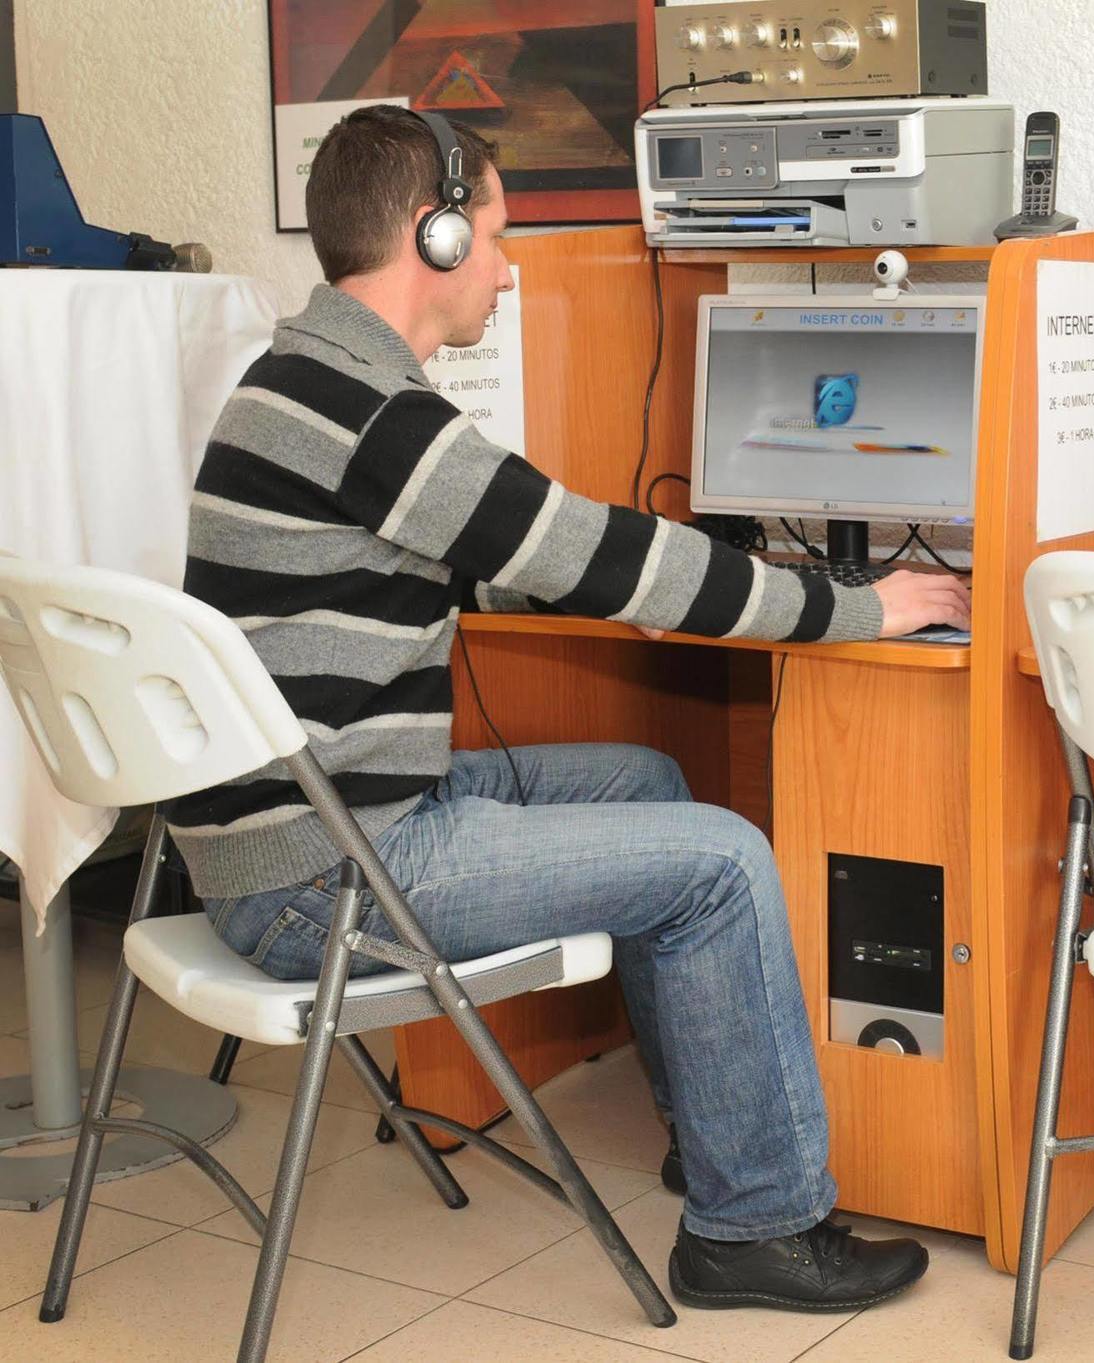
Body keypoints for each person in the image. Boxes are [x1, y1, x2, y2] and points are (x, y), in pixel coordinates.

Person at [165, 105, 967, 1312]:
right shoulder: (378, 414)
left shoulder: (302, 379)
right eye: (492, 232)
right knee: (721, 862)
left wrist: (629, 585)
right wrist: (854, 608)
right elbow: (579, 545)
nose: (507, 261)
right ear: (429, 240)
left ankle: (720, 1136)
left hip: (281, 837)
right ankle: (754, 1227)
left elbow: (474, 553)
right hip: (333, 876)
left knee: (645, 776)